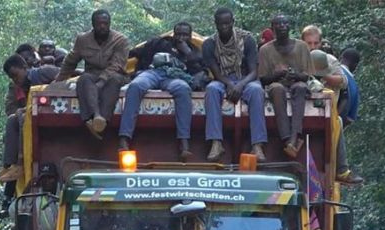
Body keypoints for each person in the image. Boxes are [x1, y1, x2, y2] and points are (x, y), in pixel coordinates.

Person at [118, 22, 204, 161]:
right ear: (173, 34)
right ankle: (124, 138)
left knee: (183, 89)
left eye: (185, 35)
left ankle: (184, 143)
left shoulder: (194, 51)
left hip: (175, 77)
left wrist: (186, 51)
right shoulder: (162, 43)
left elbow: (201, 70)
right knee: (135, 86)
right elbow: (137, 52)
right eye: (178, 34)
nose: (181, 37)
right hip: (153, 73)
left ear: (190, 36)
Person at [203, 7, 268, 162]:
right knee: (211, 89)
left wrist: (239, 85)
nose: (224, 27)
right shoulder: (209, 44)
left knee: (257, 91)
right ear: (215, 24)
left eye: (227, 23)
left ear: (232, 22)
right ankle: (216, 142)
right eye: (221, 24)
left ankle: (257, 145)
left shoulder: (247, 39)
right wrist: (230, 85)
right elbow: (216, 74)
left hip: (246, 78)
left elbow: (254, 72)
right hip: (223, 80)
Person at [55, 9, 129, 140]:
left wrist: (101, 82)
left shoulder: (120, 40)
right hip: (92, 73)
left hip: (114, 74)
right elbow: (71, 61)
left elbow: (117, 65)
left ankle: (103, 120)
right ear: (93, 24)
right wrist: (58, 81)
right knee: (84, 79)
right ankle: (96, 117)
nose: (103, 26)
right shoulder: (83, 40)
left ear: (109, 24)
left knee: (114, 81)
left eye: (105, 23)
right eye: (99, 23)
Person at [0, 55, 59, 206]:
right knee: (13, 119)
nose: (15, 80)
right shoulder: (19, 88)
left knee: (23, 118)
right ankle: (9, 166)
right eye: (11, 78)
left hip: (58, 112)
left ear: (25, 68)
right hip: (36, 120)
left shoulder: (44, 72)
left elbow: (69, 75)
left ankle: (20, 162)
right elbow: (14, 107)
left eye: (15, 75)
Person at [258, 14, 314, 159]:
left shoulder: (302, 46)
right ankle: (286, 139)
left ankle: (294, 138)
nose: (282, 26)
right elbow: (263, 79)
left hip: (296, 83)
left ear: (290, 27)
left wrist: (294, 74)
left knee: (300, 87)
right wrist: (277, 74)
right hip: (276, 85)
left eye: (285, 23)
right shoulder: (265, 50)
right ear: (272, 28)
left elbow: (307, 76)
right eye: (278, 24)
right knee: (277, 88)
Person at [310, 49, 363, 184]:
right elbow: (349, 119)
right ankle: (342, 170)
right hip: (324, 126)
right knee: (338, 122)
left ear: (340, 59)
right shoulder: (353, 86)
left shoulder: (339, 78)